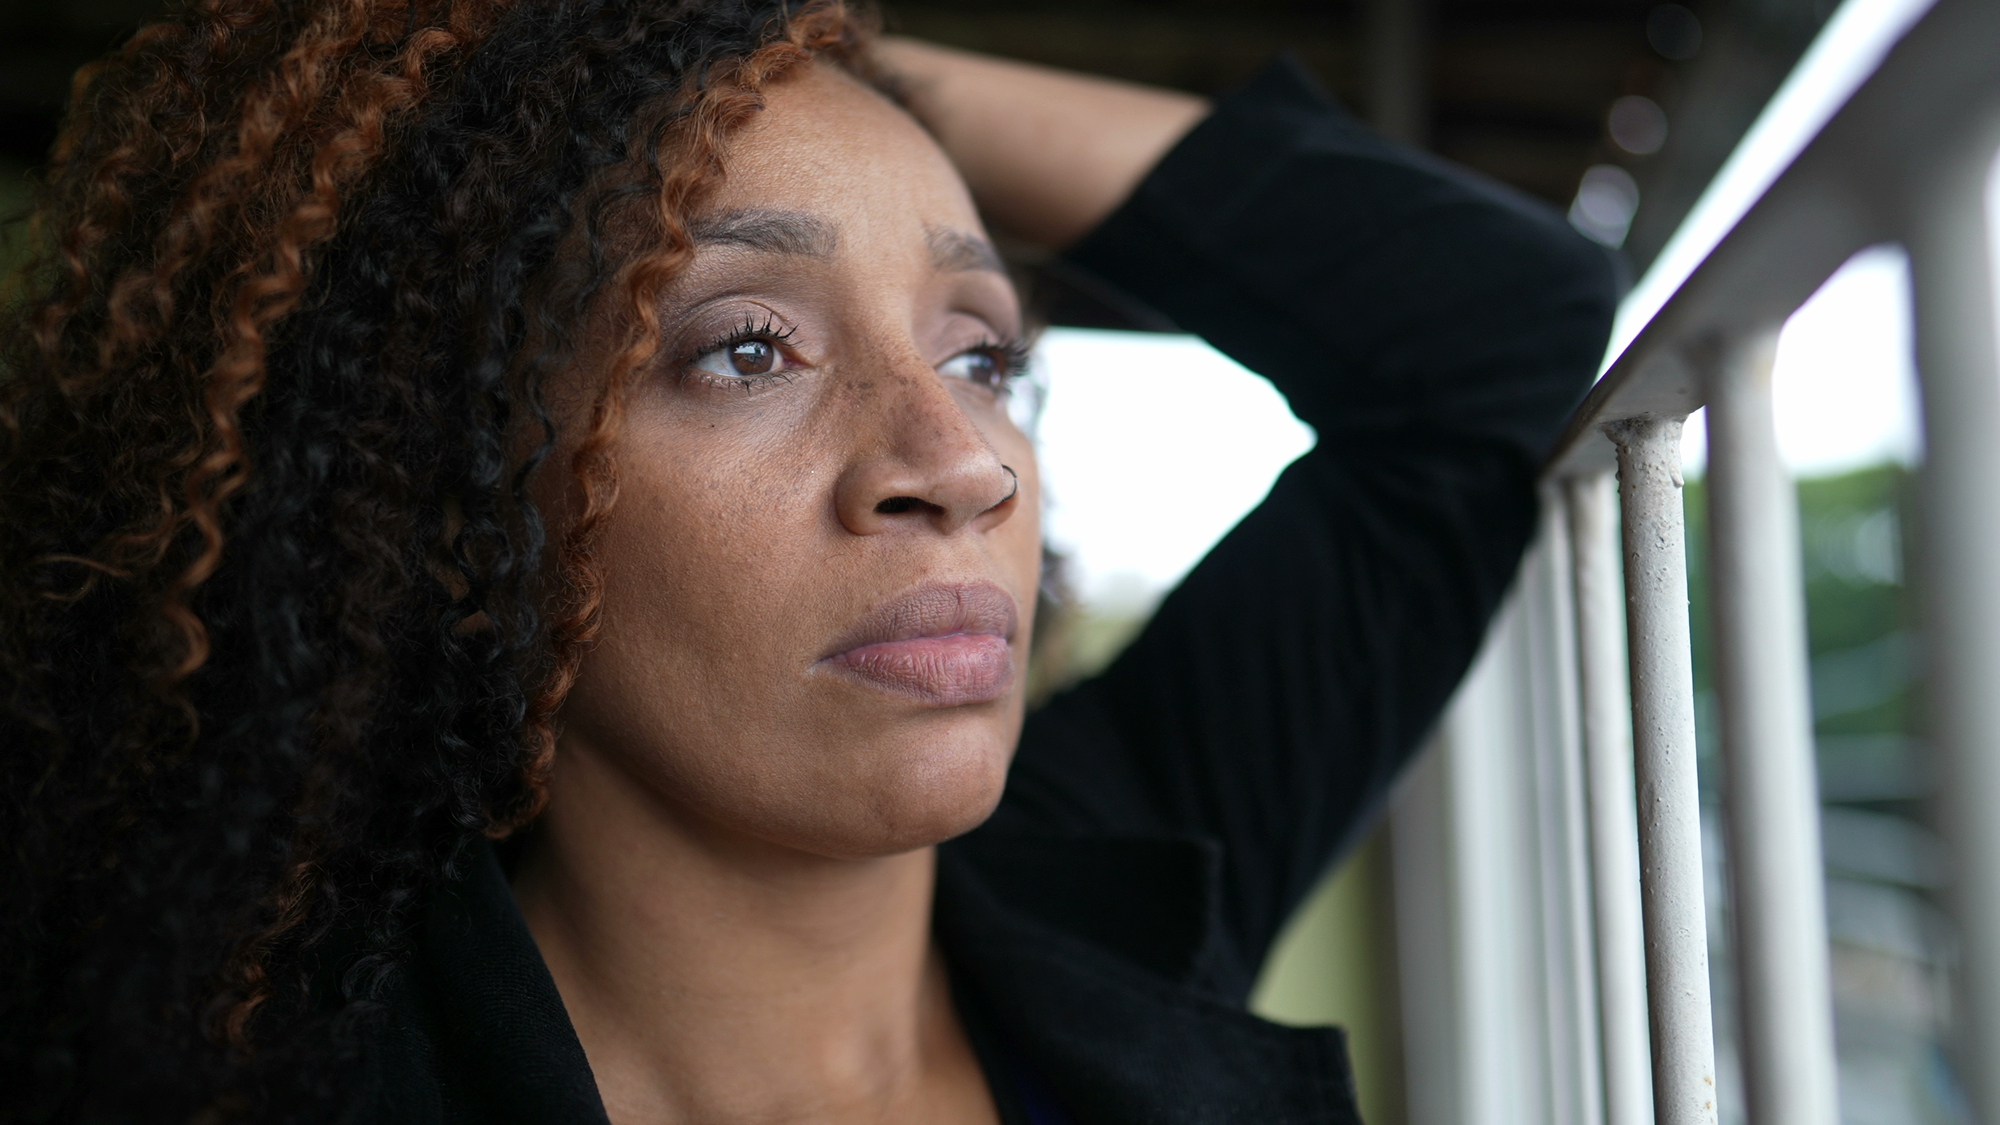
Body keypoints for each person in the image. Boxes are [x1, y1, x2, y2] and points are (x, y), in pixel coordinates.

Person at [0, 0, 1617, 1121]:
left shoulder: (1117, 888)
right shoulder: (247, 1071)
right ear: (450, 500)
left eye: (979, 351)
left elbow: (1499, 331)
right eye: (749, 350)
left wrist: (779, 57)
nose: (958, 462)